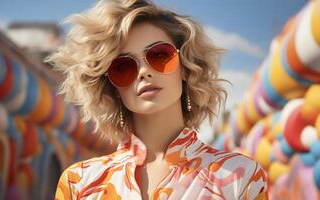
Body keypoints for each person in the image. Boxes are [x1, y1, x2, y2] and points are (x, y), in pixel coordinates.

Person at [48, 0, 268, 199]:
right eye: (123, 66)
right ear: (113, 87)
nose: (143, 71)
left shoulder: (241, 178)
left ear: (185, 68)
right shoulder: (79, 183)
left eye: (159, 55)